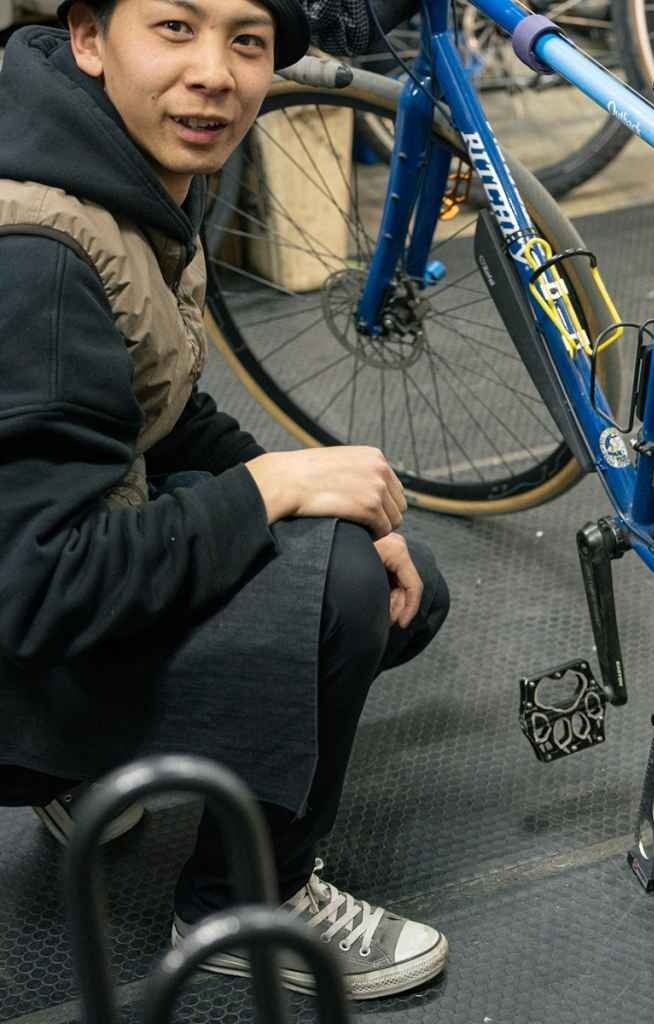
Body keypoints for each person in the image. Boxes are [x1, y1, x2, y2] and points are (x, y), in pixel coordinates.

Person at [0, 0, 450, 1000]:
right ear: (88, 37)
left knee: (381, 567)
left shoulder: (116, 165)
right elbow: (38, 588)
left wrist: (325, 499)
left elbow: (154, 406)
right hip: (21, 635)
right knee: (340, 589)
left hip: (34, 607)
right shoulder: (40, 251)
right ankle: (244, 901)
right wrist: (274, 489)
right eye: (175, 26)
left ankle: (82, 771)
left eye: (247, 40)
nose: (215, 72)